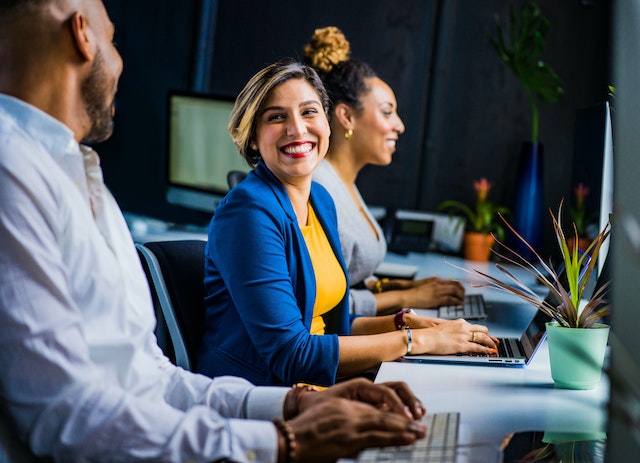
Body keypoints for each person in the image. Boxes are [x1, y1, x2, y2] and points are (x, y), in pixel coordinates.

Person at [0, 1, 429, 461]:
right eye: (113, 39)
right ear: (83, 35)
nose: (120, 61)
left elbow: (152, 379)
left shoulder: (77, 173)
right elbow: (66, 417)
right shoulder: (13, 171)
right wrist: (285, 440)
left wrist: (298, 404)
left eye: (308, 112)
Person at [197, 58, 498, 388]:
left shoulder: (321, 201)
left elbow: (332, 327)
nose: (297, 128)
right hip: (261, 396)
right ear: (253, 138)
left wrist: (409, 325)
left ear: (327, 123)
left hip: (316, 386)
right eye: (277, 117)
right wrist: (418, 342)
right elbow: (290, 355)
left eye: (309, 112)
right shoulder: (248, 212)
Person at [305, 26, 466, 317]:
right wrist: (408, 297)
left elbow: (349, 279)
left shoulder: (343, 183)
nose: (399, 125)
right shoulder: (319, 189)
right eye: (387, 112)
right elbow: (323, 306)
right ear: (346, 116)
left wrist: (400, 287)